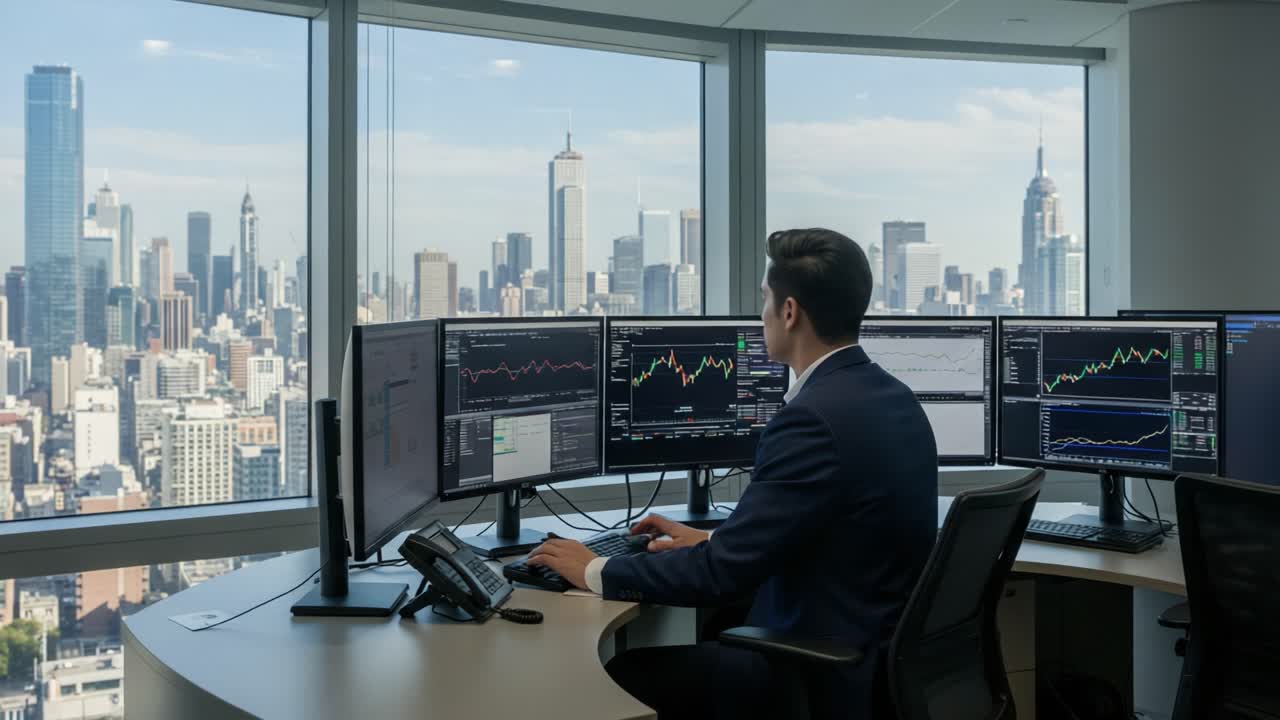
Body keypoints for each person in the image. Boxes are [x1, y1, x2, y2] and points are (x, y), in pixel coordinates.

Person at [528, 228, 938, 719]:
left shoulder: (810, 420)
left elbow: (720, 578)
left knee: (618, 676)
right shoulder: (896, 399)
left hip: (815, 672)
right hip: (872, 659)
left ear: (789, 312)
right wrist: (709, 541)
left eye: (765, 300)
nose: (761, 313)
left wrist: (593, 567)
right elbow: (835, 534)